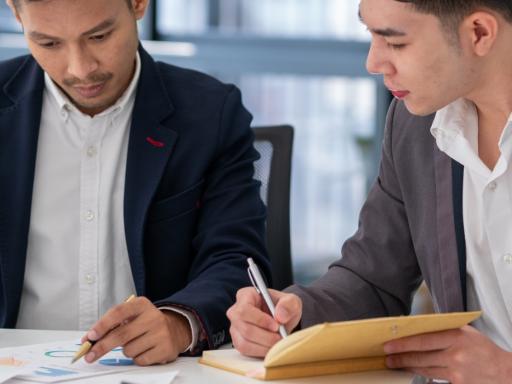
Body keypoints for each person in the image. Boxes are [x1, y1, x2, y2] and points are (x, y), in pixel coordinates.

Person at [227, 0, 512, 382]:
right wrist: (295, 313)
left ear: (479, 32)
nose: (373, 62)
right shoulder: (415, 125)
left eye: (395, 43)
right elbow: (373, 279)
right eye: (371, 34)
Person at [0, 0, 270, 366]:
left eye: (99, 36)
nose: (80, 69)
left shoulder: (211, 114)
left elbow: (236, 259)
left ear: (139, 4)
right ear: (17, 16)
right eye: (49, 44)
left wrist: (178, 322)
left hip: (156, 372)